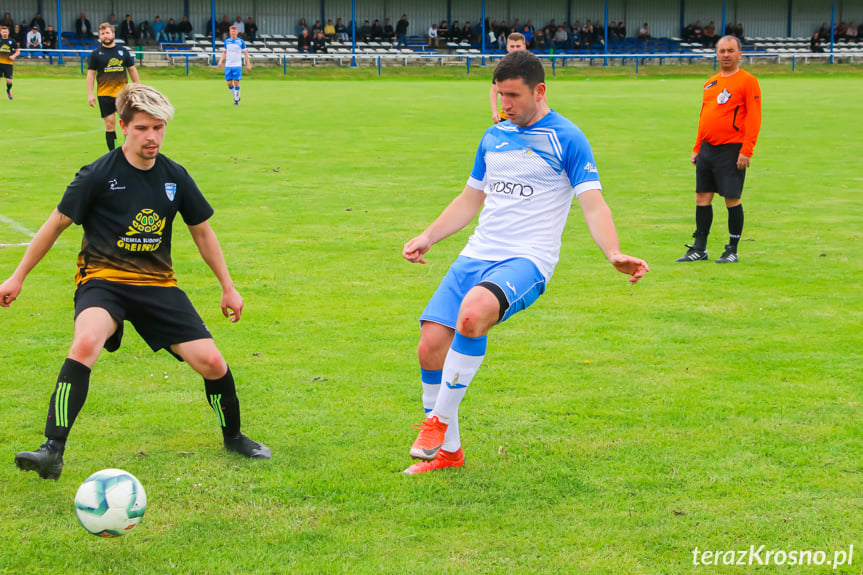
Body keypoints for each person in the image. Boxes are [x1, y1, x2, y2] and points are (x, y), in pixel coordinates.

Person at [4, 84, 271, 481]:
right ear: (124, 127)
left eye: (159, 128)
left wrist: (228, 286)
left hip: (158, 286)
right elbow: (54, 225)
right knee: (85, 342)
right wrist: (17, 276)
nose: (152, 137)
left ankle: (233, 437)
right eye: (144, 128)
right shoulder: (97, 174)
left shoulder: (174, 176)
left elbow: (202, 232)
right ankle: (51, 450)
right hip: (103, 281)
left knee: (213, 363)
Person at [402, 50, 648, 475]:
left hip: (526, 259)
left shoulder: (567, 138)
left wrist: (613, 252)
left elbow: (592, 203)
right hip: (477, 253)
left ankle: (436, 423)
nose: (504, 105)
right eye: (500, 95)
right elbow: (470, 199)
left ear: (540, 90)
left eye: (513, 96)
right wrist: (428, 235)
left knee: (473, 315)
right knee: (430, 346)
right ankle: (449, 453)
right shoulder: (493, 136)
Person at [677, 36, 762, 264]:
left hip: (732, 149)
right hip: (707, 149)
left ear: (739, 54)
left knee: (731, 199)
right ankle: (699, 248)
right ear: (716, 54)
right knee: (702, 197)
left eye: (730, 51)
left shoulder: (748, 81)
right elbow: (704, 118)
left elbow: (754, 117)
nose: (726, 54)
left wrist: (747, 150)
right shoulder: (710, 83)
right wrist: (697, 147)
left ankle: (732, 249)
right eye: (722, 51)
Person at [87, 23, 140, 151]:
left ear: (113, 34)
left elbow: (132, 70)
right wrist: (90, 93)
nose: (105, 36)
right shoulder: (96, 54)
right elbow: (91, 74)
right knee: (110, 124)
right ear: (100, 36)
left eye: (107, 33)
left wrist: (138, 88)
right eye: (103, 34)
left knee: (127, 124)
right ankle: (113, 153)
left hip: (123, 94)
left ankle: (129, 150)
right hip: (104, 94)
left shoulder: (123, 51)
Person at [489, 32, 527, 123]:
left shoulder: (532, 66)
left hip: (526, 116)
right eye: (512, 46)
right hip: (506, 117)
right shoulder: (501, 67)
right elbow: (494, 90)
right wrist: (494, 112)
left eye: (518, 46)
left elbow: (540, 92)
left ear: (524, 47)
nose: (515, 49)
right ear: (507, 47)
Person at [217, 25, 251, 107]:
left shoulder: (241, 41)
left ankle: (236, 101)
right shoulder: (227, 41)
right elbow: (224, 52)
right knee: (229, 83)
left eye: (234, 31)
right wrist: (220, 61)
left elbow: (245, 53)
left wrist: (248, 64)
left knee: (236, 82)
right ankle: (236, 96)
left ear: (237, 32)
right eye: (232, 31)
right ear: (230, 32)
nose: (233, 33)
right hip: (228, 65)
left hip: (237, 65)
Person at [0, 25, 20, 100]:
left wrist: (14, 56)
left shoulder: (12, 41)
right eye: (3, 32)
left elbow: (18, 51)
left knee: (9, 81)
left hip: (8, 64)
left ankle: (8, 90)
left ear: (8, 32)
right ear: (0, 32)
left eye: (6, 32)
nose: (4, 33)